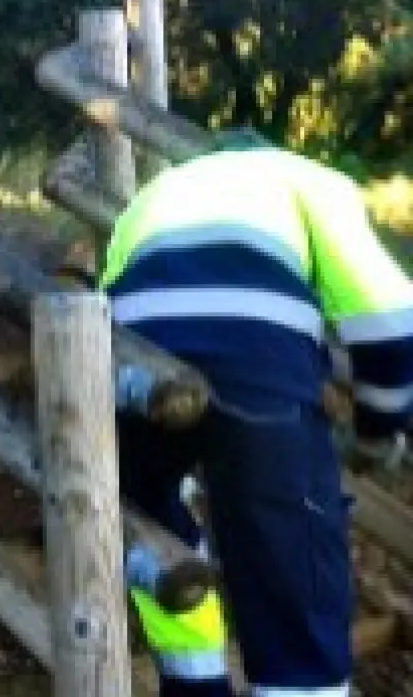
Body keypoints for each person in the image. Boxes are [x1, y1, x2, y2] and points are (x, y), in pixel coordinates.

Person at [99, 127, 413, 696]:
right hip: (258, 358)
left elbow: (107, 293)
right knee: (289, 556)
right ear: (268, 152)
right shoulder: (307, 179)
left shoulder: (152, 195)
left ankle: (194, 684)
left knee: (158, 530)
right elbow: (388, 322)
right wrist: (378, 429)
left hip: (136, 356)